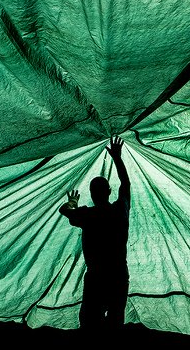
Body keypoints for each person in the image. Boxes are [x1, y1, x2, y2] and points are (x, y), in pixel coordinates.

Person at [59, 135, 131, 331]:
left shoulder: (87, 215)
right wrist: (117, 157)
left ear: (91, 195)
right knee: (115, 321)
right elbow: (126, 185)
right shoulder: (120, 211)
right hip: (118, 275)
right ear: (109, 191)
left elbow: (64, 211)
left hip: (97, 277)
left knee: (90, 322)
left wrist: (73, 203)